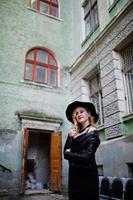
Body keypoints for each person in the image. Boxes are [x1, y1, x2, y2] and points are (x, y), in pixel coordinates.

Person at [64, 101, 100, 200]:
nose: (79, 114)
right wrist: (69, 137)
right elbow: (65, 153)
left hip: (87, 177)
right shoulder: (75, 134)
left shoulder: (92, 133)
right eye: (76, 113)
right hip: (75, 176)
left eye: (81, 111)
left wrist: (69, 154)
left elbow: (87, 158)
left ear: (88, 114)